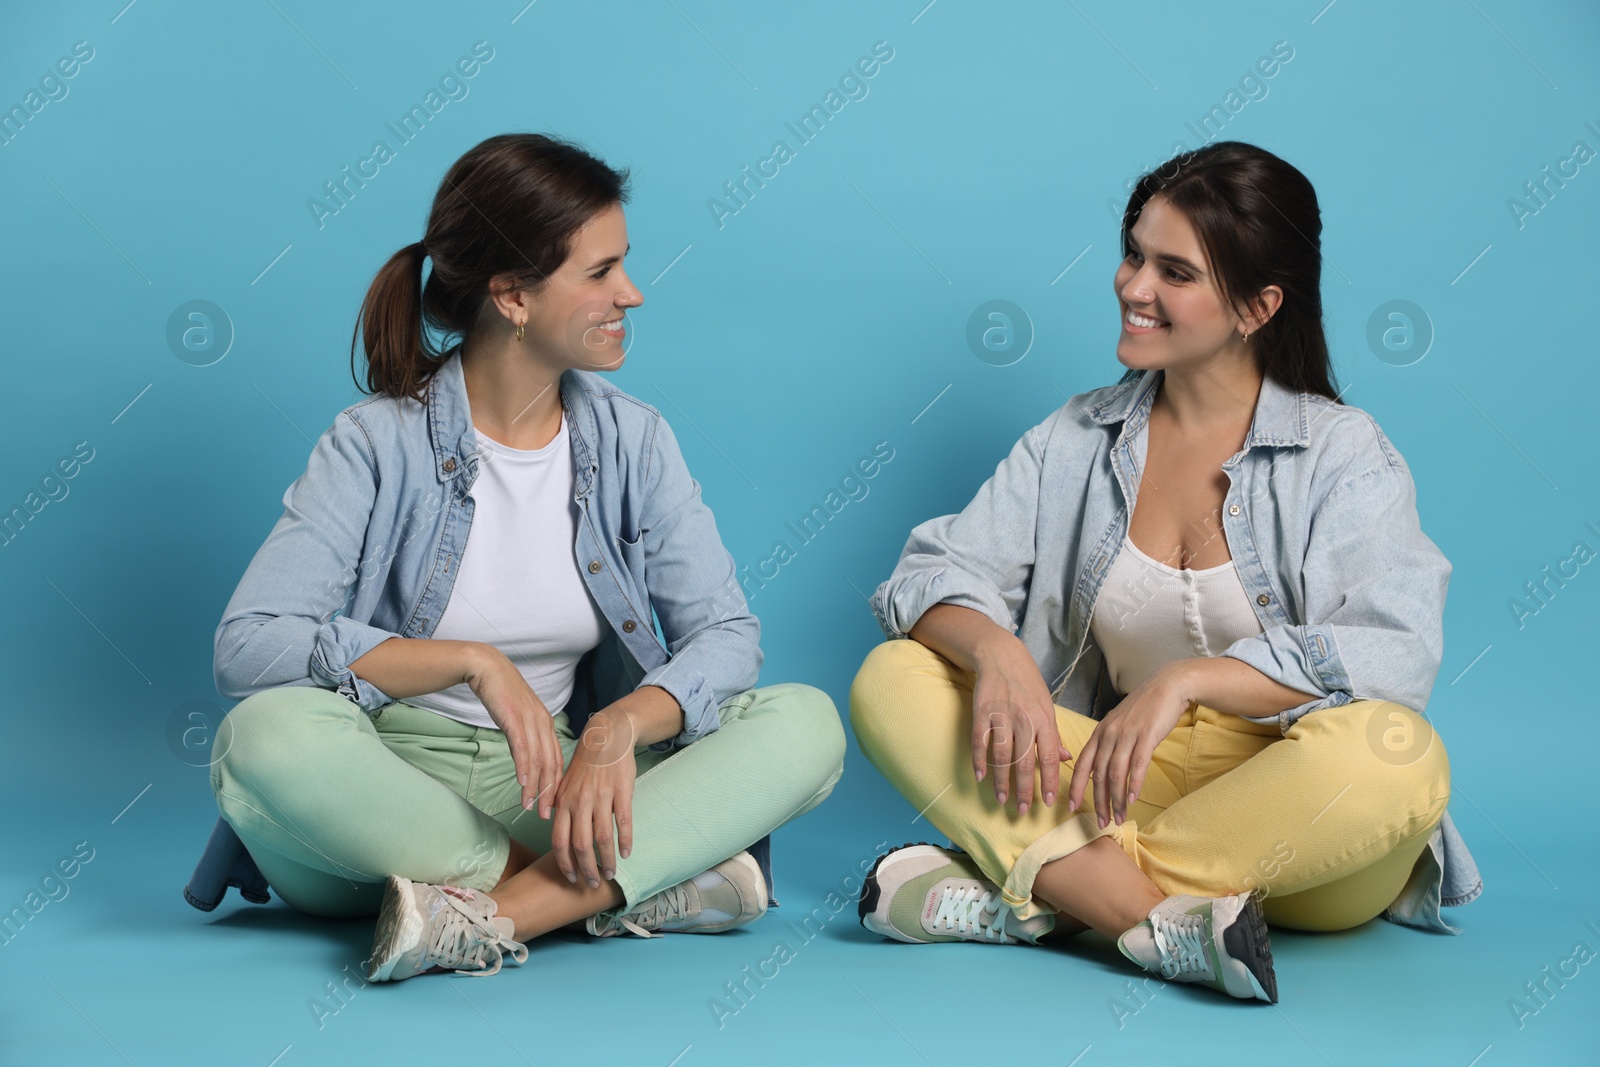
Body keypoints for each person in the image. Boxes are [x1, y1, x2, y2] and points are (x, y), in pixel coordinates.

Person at [849, 140, 1480, 1003]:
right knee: (897, 675)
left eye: (1173, 272)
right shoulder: (1074, 440)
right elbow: (926, 573)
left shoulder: (1343, 454)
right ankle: (1156, 924)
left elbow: (1395, 650)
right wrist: (996, 650)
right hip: (1116, 779)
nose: (1133, 286)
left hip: (1293, 817)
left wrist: (1191, 679)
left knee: (1401, 756)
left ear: (1258, 306)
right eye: (1135, 253)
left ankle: (1049, 898)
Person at [207, 132, 846, 982]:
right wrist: (471, 663)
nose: (632, 293)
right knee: (261, 736)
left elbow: (726, 636)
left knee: (805, 720)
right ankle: (617, 891)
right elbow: (248, 644)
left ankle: (492, 915)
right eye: (599, 272)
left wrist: (619, 727)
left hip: (557, 790)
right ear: (511, 295)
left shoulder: (634, 439)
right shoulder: (373, 443)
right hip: (380, 803)